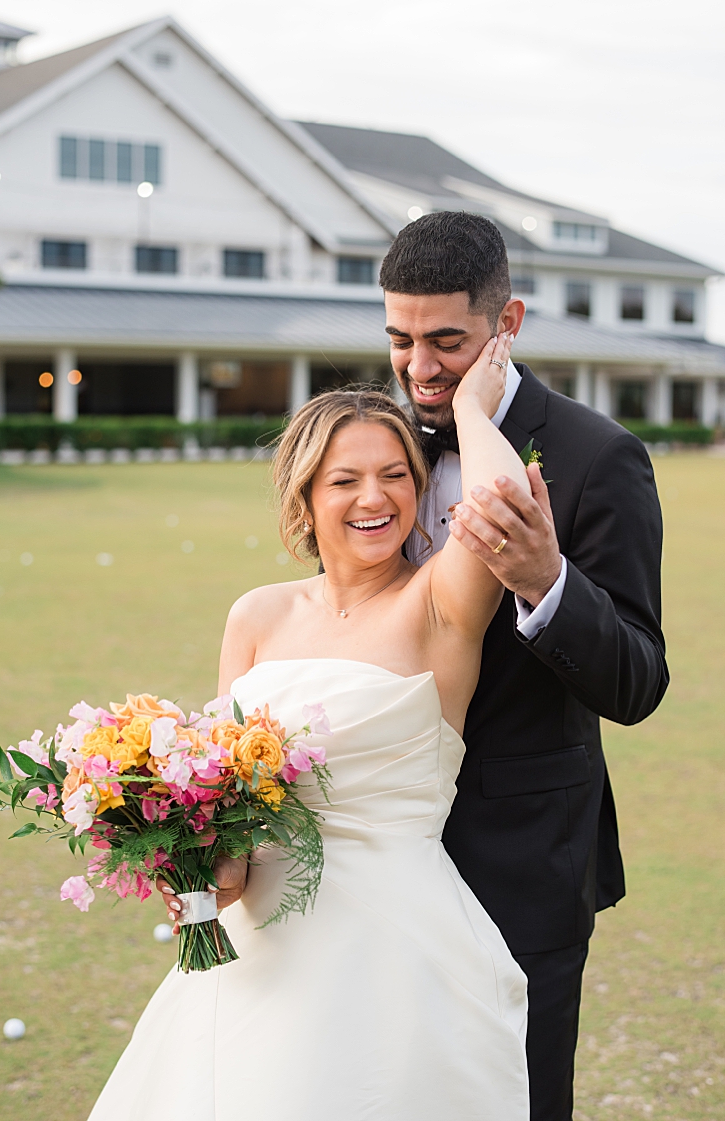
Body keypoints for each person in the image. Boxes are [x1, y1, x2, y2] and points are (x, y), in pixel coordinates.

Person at [92, 343, 533, 1118]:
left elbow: (501, 500)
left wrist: (469, 407)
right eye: (346, 479)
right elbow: (224, 794)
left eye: (397, 475)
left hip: (397, 944)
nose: (377, 496)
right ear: (305, 498)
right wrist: (206, 874)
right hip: (260, 944)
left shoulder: (440, 603)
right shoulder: (257, 615)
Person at [382, 212, 666, 1121]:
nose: (419, 366)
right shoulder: (379, 442)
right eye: (398, 339)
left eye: (445, 341)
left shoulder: (598, 458)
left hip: (522, 859)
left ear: (508, 326)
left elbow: (639, 678)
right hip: (379, 848)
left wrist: (547, 582)